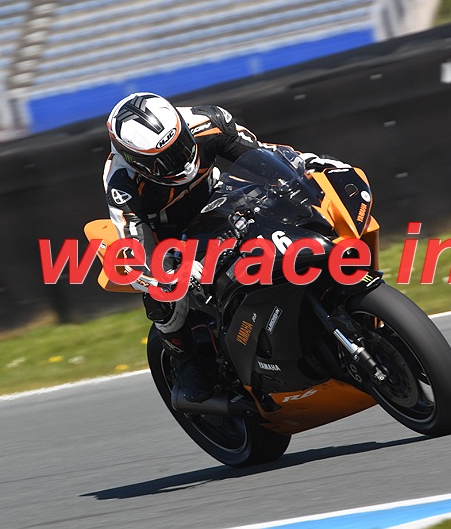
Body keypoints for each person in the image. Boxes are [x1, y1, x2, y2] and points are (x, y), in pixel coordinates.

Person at [103, 92, 347, 403]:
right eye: (165, 158)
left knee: (294, 211)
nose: (180, 159)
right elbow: (135, 245)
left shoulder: (209, 121)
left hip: (221, 199)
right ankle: (185, 361)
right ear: (137, 161)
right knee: (163, 293)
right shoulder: (121, 182)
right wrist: (164, 276)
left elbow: (261, 155)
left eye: (180, 145)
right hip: (170, 236)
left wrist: (306, 167)